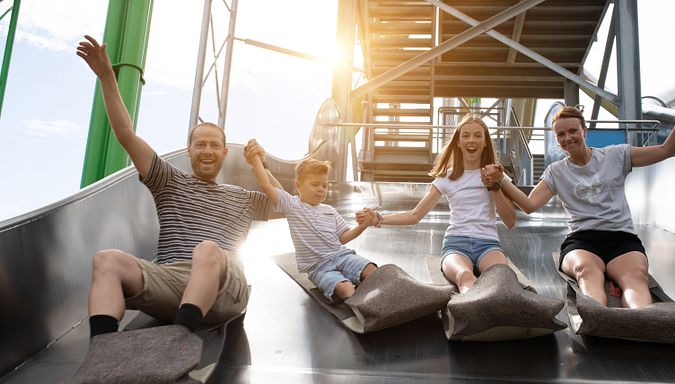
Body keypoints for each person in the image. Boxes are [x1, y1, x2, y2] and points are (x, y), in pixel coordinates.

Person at [77, 35, 280, 337]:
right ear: (189, 150)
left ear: (225, 152)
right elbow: (125, 134)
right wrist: (107, 76)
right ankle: (101, 350)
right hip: (171, 282)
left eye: (214, 145)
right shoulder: (169, 181)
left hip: (224, 287)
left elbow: (288, 205)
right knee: (106, 259)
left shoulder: (243, 198)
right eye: (200, 145)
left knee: (208, 249)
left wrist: (259, 165)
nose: (207, 151)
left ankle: (178, 340)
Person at [483, 77, 675, 308]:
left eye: (572, 131)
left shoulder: (616, 155)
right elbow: (529, 205)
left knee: (635, 277)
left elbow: (667, 150)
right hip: (582, 241)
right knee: (586, 272)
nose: (567, 138)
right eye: (561, 135)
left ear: (584, 131)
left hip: (621, 238)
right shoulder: (556, 171)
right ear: (557, 140)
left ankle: (639, 319)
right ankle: (598, 317)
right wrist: (501, 180)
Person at [358, 114, 516, 293]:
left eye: (478, 135)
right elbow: (415, 215)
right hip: (456, 244)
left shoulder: (497, 175)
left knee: (501, 277)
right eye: (465, 135)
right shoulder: (446, 178)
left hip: (488, 243)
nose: (471, 140)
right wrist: (379, 219)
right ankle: (471, 307)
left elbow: (510, 221)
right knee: (465, 276)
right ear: (458, 141)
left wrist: (493, 185)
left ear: (486, 141)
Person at [245, 140, 378, 301]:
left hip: (343, 256)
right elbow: (266, 185)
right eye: (315, 184)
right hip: (320, 268)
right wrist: (256, 160)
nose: (321, 189)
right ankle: (359, 301)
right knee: (346, 289)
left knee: (372, 271)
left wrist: (362, 226)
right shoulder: (292, 205)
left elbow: (343, 238)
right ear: (298, 186)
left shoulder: (329, 210)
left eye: (324, 185)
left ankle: (371, 291)